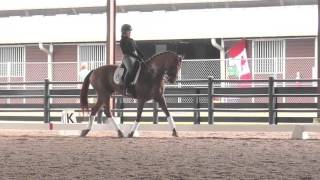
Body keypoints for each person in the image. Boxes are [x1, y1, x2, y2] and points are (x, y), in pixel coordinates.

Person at [120, 24, 145, 96]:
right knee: (131, 70)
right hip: (128, 57)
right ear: (124, 32)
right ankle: (127, 88)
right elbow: (127, 52)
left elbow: (137, 50)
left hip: (135, 57)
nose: (130, 32)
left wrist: (142, 56)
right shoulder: (122, 41)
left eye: (130, 31)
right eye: (128, 31)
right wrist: (137, 57)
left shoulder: (132, 40)